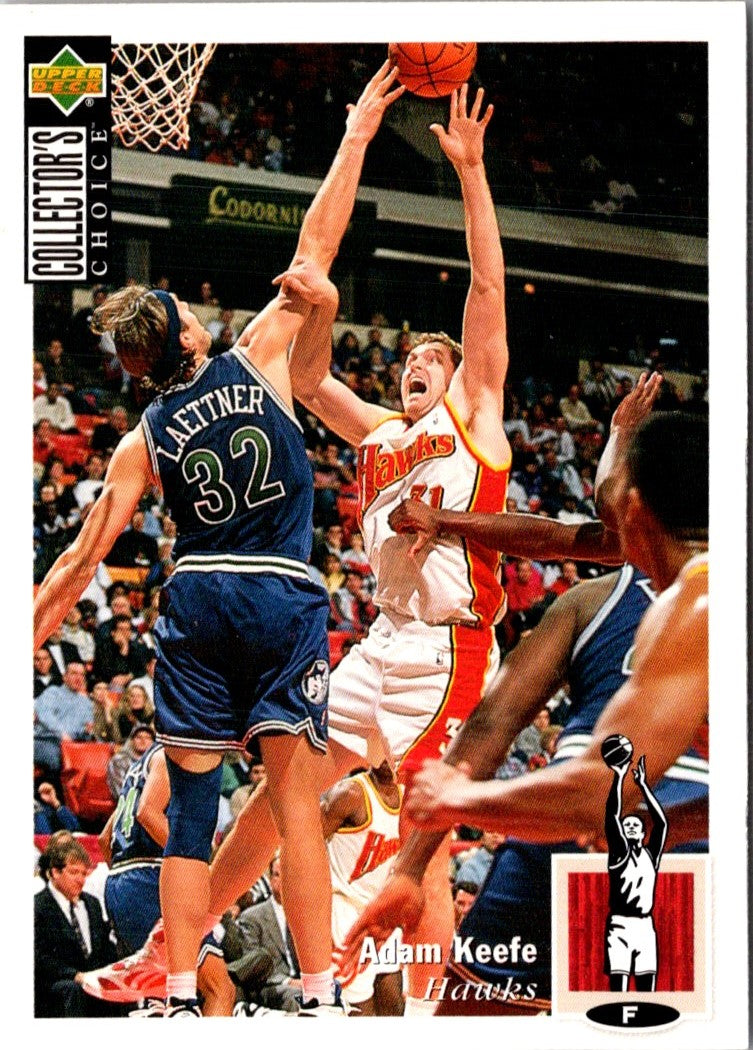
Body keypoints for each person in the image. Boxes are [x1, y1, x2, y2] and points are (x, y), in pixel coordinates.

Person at [32, 61, 404, 1019]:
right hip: (277, 587)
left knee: (191, 810)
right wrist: (357, 131)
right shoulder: (254, 354)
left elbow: (81, 559)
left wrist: (24, 633)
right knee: (291, 803)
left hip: (197, 594)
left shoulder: (140, 438)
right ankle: (318, 993)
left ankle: (167, 995)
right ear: (189, 338)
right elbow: (317, 247)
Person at [336, 409, 708, 1014]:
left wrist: (457, 803)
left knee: (476, 1022)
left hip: (580, 834)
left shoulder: (683, 602)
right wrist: (682, 824)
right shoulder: (687, 595)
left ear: (634, 512)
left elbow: (590, 787)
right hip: (673, 837)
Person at [86, 739, 235, 1016]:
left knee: (162, 995)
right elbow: (148, 813)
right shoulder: (171, 753)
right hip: (150, 879)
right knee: (218, 988)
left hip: (123, 881)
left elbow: (106, 839)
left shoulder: (139, 766)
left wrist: (126, 885)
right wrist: (194, 862)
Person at [321, 762, 405, 1015]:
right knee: (358, 1007)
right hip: (346, 908)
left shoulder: (407, 794)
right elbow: (308, 843)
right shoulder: (350, 794)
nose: (389, 759)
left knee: (393, 1002)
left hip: (383, 910)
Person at [34, 838, 122, 1017]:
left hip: (91, 980)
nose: (81, 879)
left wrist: (118, 971)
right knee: (73, 990)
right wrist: (76, 975)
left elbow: (105, 947)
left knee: (118, 986)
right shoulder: (37, 907)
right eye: (74, 872)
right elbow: (39, 958)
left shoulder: (92, 904)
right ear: (55, 872)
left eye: (84, 873)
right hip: (55, 986)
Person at [603, 751, 668, 992]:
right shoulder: (618, 853)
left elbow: (661, 823)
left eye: (635, 825)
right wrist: (618, 777)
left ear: (642, 833)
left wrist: (643, 786)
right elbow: (612, 816)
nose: (630, 826)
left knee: (647, 990)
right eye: (627, 824)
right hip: (620, 924)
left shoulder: (651, 855)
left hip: (645, 924)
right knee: (617, 990)